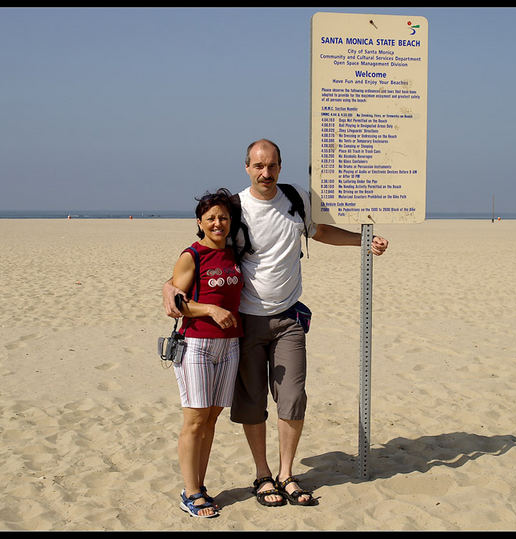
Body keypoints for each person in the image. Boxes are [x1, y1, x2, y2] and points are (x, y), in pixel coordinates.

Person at [163, 139, 389, 507]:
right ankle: (263, 475)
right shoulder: (235, 208)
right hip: (246, 323)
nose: (265, 173)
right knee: (252, 403)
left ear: (281, 167)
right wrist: (168, 287)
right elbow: (204, 250)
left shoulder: (296, 197)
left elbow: (319, 231)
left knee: (293, 397)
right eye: (258, 166)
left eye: (272, 166)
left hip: (288, 318)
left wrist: (362, 242)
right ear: (247, 167)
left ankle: (286, 473)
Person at [169, 188, 243, 518]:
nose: (217, 223)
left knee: (211, 418)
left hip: (230, 345)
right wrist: (210, 309)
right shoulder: (192, 255)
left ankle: (199, 484)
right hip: (196, 344)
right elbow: (176, 300)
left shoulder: (235, 253)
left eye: (223, 217)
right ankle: (191, 491)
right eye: (211, 217)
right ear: (200, 221)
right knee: (194, 419)